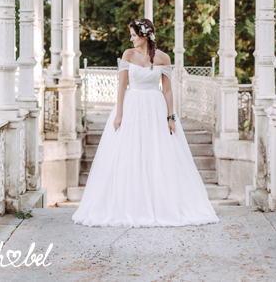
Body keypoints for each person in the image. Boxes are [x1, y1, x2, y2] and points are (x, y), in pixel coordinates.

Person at [72, 18, 219, 227]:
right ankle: (131, 206)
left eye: (133, 35)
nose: (131, 39)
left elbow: (167, 90)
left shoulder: (163, 58)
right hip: (132, 107)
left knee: (157, 154)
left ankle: (161, 205)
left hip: (155, 107)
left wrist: (171, 117)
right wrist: (119, 114)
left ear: (144, 35)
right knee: (130, 155)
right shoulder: (128, 55)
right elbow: (122, 86)